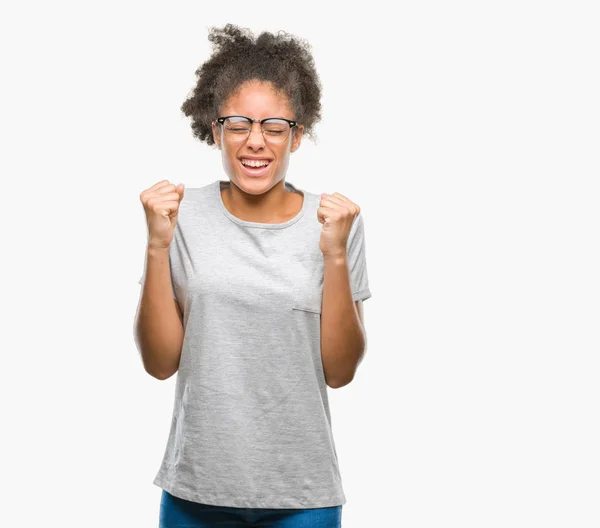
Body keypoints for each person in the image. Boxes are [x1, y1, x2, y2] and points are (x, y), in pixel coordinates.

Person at [135, 23, 372, 528]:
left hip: (303, 495)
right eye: (238, 124)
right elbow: (159, 364)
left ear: (298, 134)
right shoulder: (181, 216)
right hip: (195, 492)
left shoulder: (336, 222)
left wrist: (333, 257)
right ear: (216, 129)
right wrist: (157, 245)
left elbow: (341, 371)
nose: (256, 142)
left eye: (275, 126)